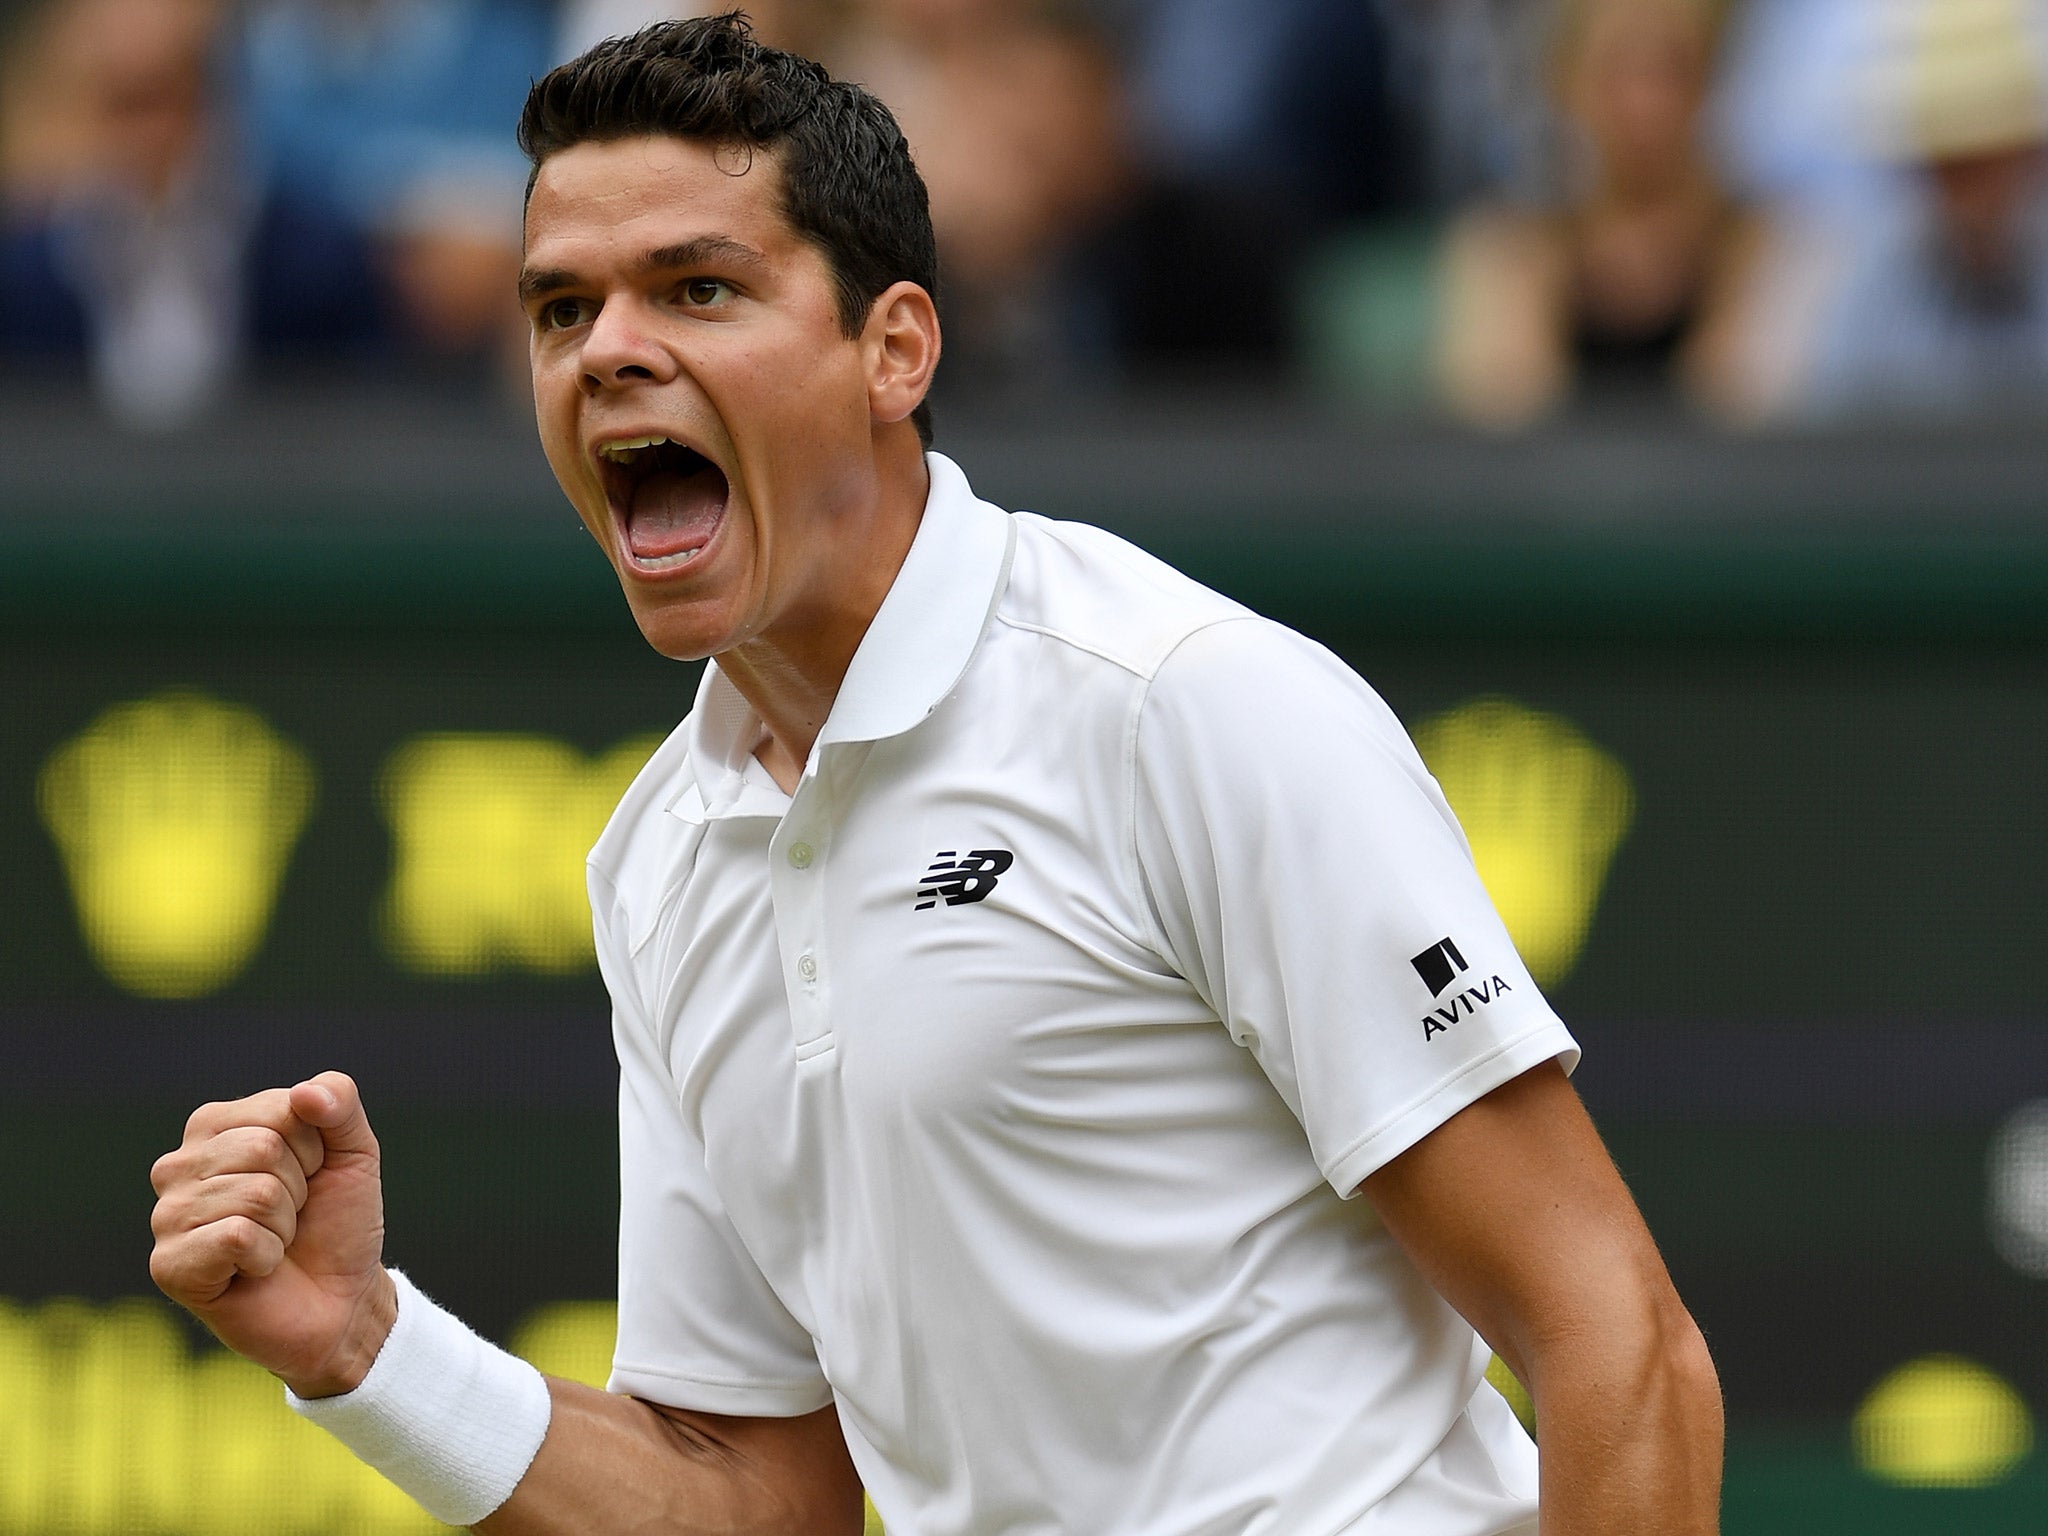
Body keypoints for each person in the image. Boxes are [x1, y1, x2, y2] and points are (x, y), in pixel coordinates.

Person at [147, 17, 1723, 1535]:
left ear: (893, 348)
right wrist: (367, 1351)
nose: (611, 352)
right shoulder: (659, 863)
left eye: (696, 289)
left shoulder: (1183, 707)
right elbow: (758, 1505)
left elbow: (1619, 1348)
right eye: (562, 311)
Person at [1434, 0, 1764, 426]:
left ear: (1711, 80)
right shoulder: (1505, 249)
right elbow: (1497, 430)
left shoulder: (1761, 246)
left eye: (1671, 71)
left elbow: (1749, 420)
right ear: (1564, 81)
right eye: (1617, 72)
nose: (1645, 104)